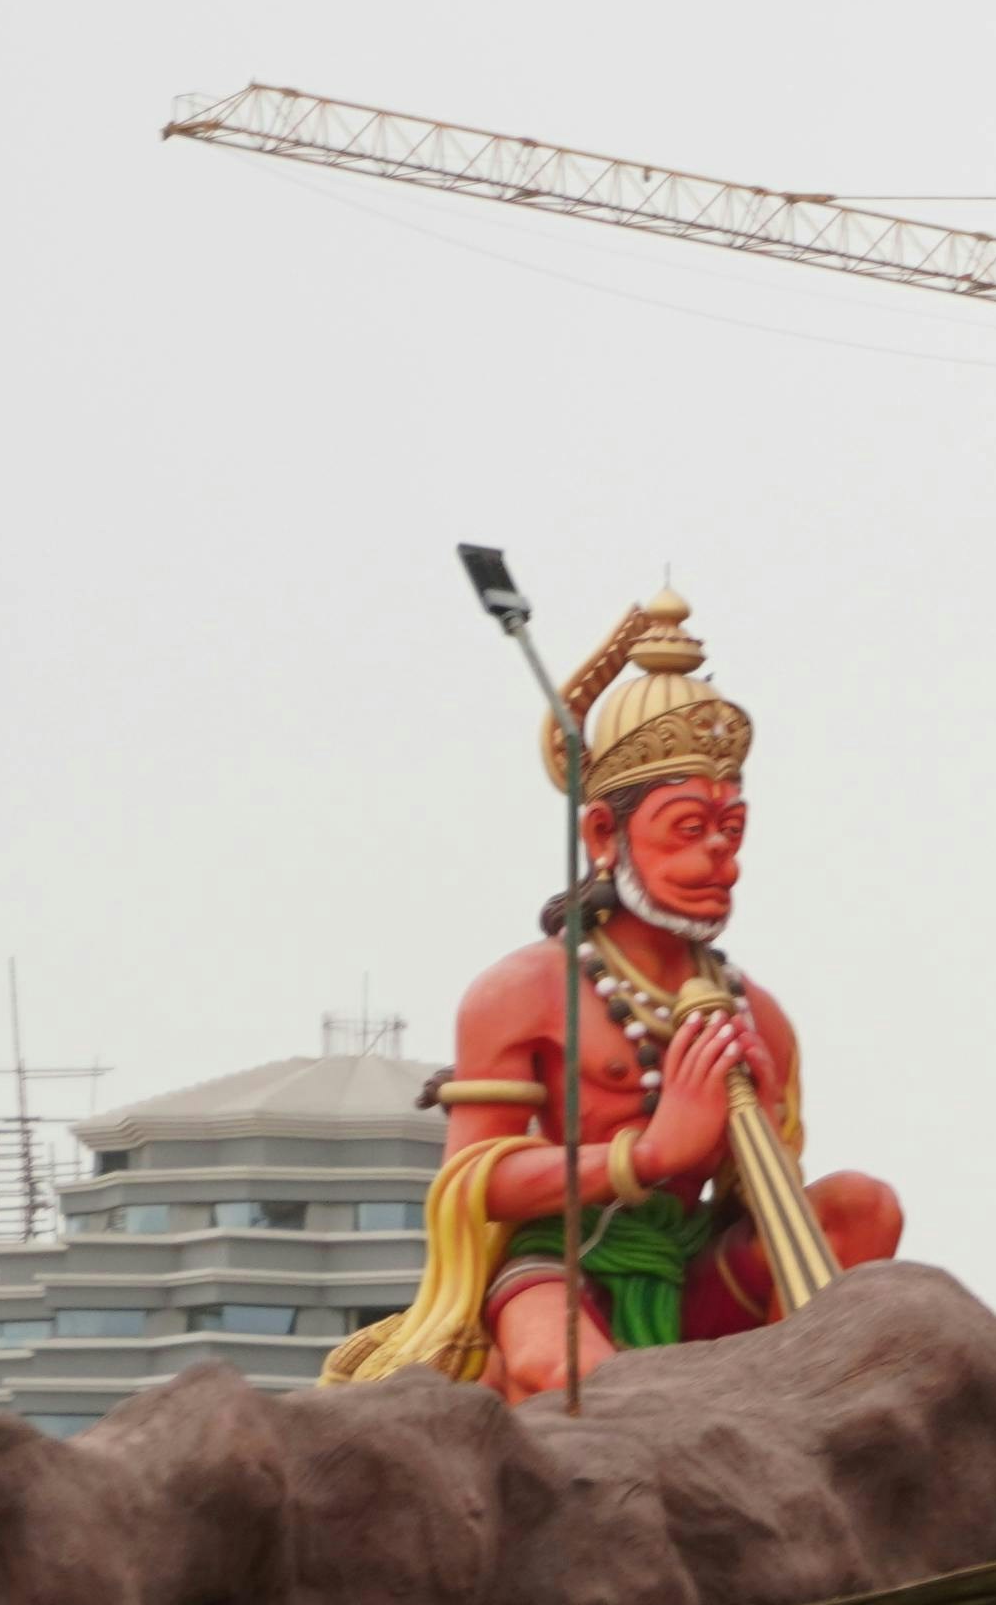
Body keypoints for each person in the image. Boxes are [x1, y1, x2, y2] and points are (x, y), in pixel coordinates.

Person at [342, 593, 902, 1400]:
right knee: (563, 1371)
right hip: (562, 1265)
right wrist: (647, 1155)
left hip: (690, 1261)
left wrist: (763, 1127)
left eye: (731, 830)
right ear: (603, 835)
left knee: (862, 1207)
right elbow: (470, 1181)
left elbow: (759, 1210)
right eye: (687, 829)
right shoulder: (526, 991)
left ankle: (802, 1415)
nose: (720, 858)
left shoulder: (757, 1016)